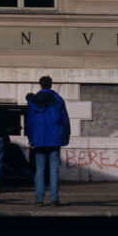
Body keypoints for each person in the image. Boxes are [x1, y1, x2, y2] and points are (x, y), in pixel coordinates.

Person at [25, 75, 70, 207]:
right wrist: (66, 136)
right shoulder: (58, 100)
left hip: (39, 139)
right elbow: (65, 120)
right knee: (54, 170)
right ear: (51, 85)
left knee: (39, 170)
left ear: (40, 85)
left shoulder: (34, 101)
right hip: (55, 139)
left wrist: (30, 139)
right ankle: (54, 199)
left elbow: (30, 122)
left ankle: (39, 199)